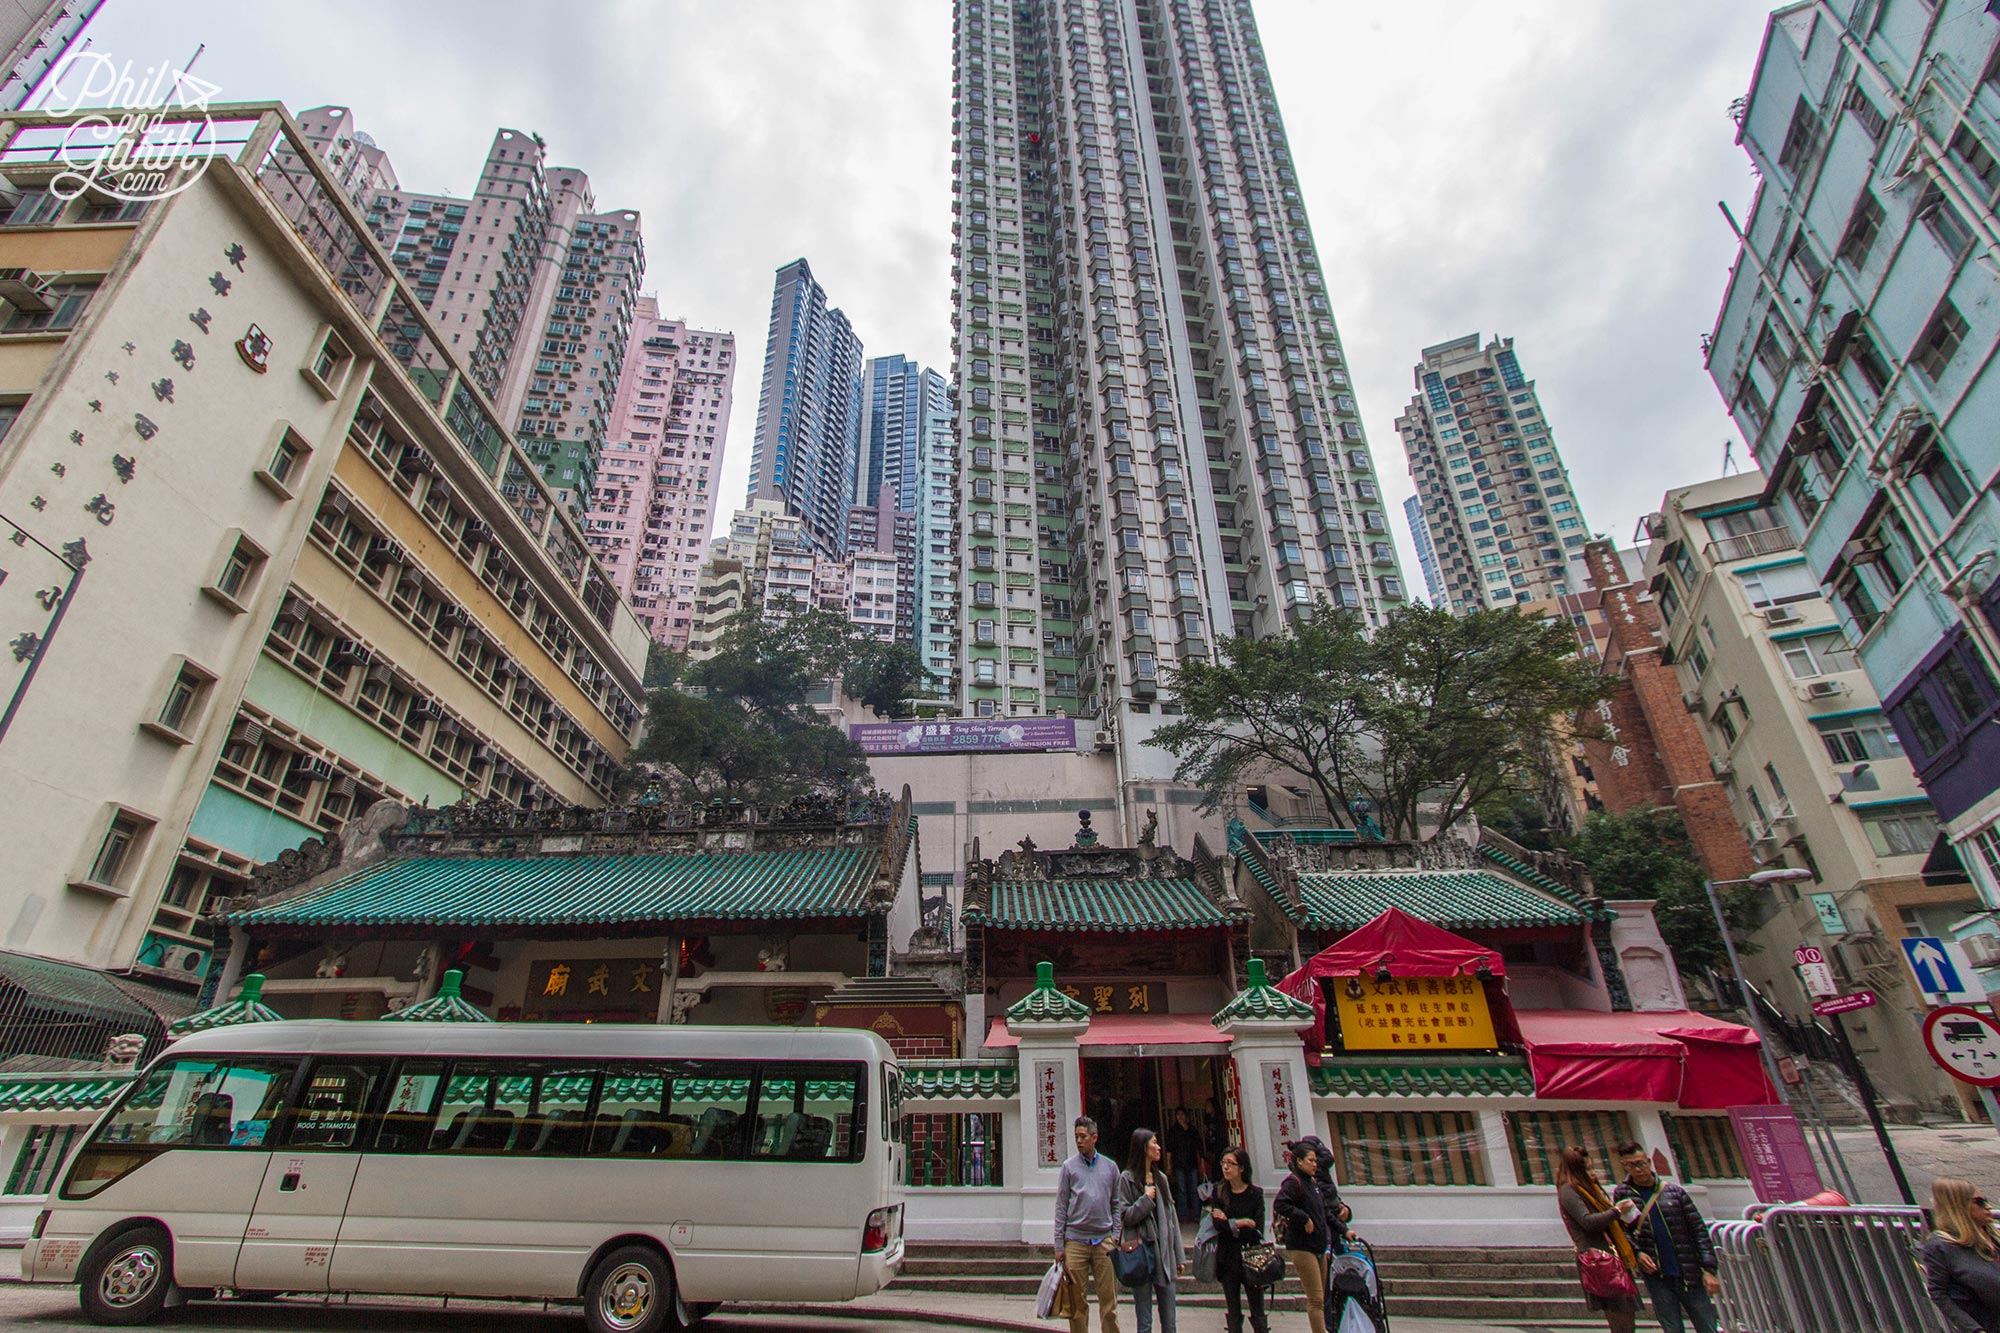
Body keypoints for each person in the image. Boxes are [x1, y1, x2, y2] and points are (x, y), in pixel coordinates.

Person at [1610, 1142, 1718, 1333]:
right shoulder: (1623, 1194)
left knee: (1706, 1324)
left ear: (1649, 1162)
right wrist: (1638, 1253)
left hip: (1688, 1270)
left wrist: (1708, 1269)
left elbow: (1698, 1230)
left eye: (1641, 1163)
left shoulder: (1674, 1193)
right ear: (1623, 1166)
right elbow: (1622, 1231)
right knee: (1671, 1327)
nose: (1638, 1169)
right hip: (1657, 1275)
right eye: (1631, 1165)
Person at [1555, 1145, 1642, 1333]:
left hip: (1614, 1255)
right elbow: (1587, 1222)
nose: (1591, 1173)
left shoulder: (1589, 1189)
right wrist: (1617, 1211)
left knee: (1626, 1315)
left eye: (1591, 1167)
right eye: (1586, 1169)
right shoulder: (1569, 1190)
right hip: (1600, 1260)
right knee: (1620, 1317)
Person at [1055, 1116, 1123, 1333]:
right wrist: (1059, 1244)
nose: (1079, 1141)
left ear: (1095, 1138)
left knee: (1109, 1302)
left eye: (1083, 1137)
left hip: (1104, 1240)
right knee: (1076, 1303)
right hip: (1075, 1240)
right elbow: (1061, 1206)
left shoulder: (1111, 1168)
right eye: (1076, 1137)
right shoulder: (1068, 1167)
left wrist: (1116, 1235)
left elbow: (1116, 1204)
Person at [1118, 1128, 1187, 1333]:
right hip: (1141, 1256)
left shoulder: (1162, 1179)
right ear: (1142, 1148)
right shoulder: (1127, 1179)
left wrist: (1179, 1256)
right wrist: (1146, 1200)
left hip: (1164, 1254)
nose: (1158, 1147)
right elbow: (1125, 1216)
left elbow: (1172, 1220)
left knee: (1170, 1321)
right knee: (1144, 1321)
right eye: (1154, 1143)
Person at [1922, 1177, 2000, 1332]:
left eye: (1986, 1201)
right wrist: (1974, 1329)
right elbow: (1939, 1293)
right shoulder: (1941, 1246)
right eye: (1979, 1202)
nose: (1989, 1207)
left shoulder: (1993, 1236)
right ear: (1959, 1207)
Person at [1207, 1145, 1269, 1333]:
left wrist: (1230, 1223)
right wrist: (1242, 1222)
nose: (1226, 1167)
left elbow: (1257, 1226)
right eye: (1223, 1163)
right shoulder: (1218, 1192)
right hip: (1228, 1257)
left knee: (1257, 1308)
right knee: (1233, 1309)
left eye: (1231, 1163)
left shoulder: (1255, 1194)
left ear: (1242, 1168)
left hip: (1251, 1255)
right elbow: (1218, 1225)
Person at [1274, 1139, 1332, 1333]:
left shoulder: (1313, 1183)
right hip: (1301, 1245)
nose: (1315, 1164)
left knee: (1321, 1296)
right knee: (1315, 1298)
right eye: (1311, 1160)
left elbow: (1325, 1213)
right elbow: (1280, 1203)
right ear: (1299, 1161)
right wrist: (1303, 1218)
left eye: (1316, 1160)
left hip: (1318, 1244)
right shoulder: (1293, 1182)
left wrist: (1343, 1229)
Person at [1166, 1109, 1202, 1223]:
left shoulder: (1192, 1129)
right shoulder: (1173, 1131)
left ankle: (1197, 1215)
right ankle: (1183, 1216)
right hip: (1179, 1164)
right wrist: (1169, 1164)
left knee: (1194, 1190)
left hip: (1192, 1164)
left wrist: (1201, 1163)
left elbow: (1198, 1146)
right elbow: (1169, 1149)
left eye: (1182, 1114)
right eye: (1178, 1115)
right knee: (1182, 1191)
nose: (1180, 1117)